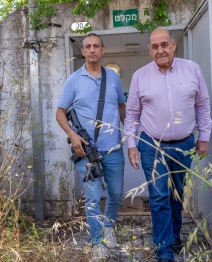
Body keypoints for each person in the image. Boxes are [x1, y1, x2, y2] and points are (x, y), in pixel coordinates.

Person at [123, 28, 212, 262]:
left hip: (184, 145)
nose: (160, 50)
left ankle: (173, 235)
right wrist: (132, 145)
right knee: (159, 196)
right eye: (154, 47)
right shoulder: (140, 76)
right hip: (151, 146)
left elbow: (202, 105)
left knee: (177, 194)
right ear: (149, 50)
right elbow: (132, 113)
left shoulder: (192, 69)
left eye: (164, 45)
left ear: (173, 45)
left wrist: (204, 137)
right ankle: (164, 250)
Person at [56, 33, 126, 261]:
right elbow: (60, 113)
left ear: (103, 50)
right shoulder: (74, 80)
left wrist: (131, 137)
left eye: (96, 46)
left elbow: (122, 108)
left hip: (114, 149)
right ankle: (98, 243)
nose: (92, 50)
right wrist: (72, 135)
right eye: (88, 47)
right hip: (85, 152)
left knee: (116, 194)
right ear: (83, 51)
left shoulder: (113, 78)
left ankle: (108, 227)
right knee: (93, 199)